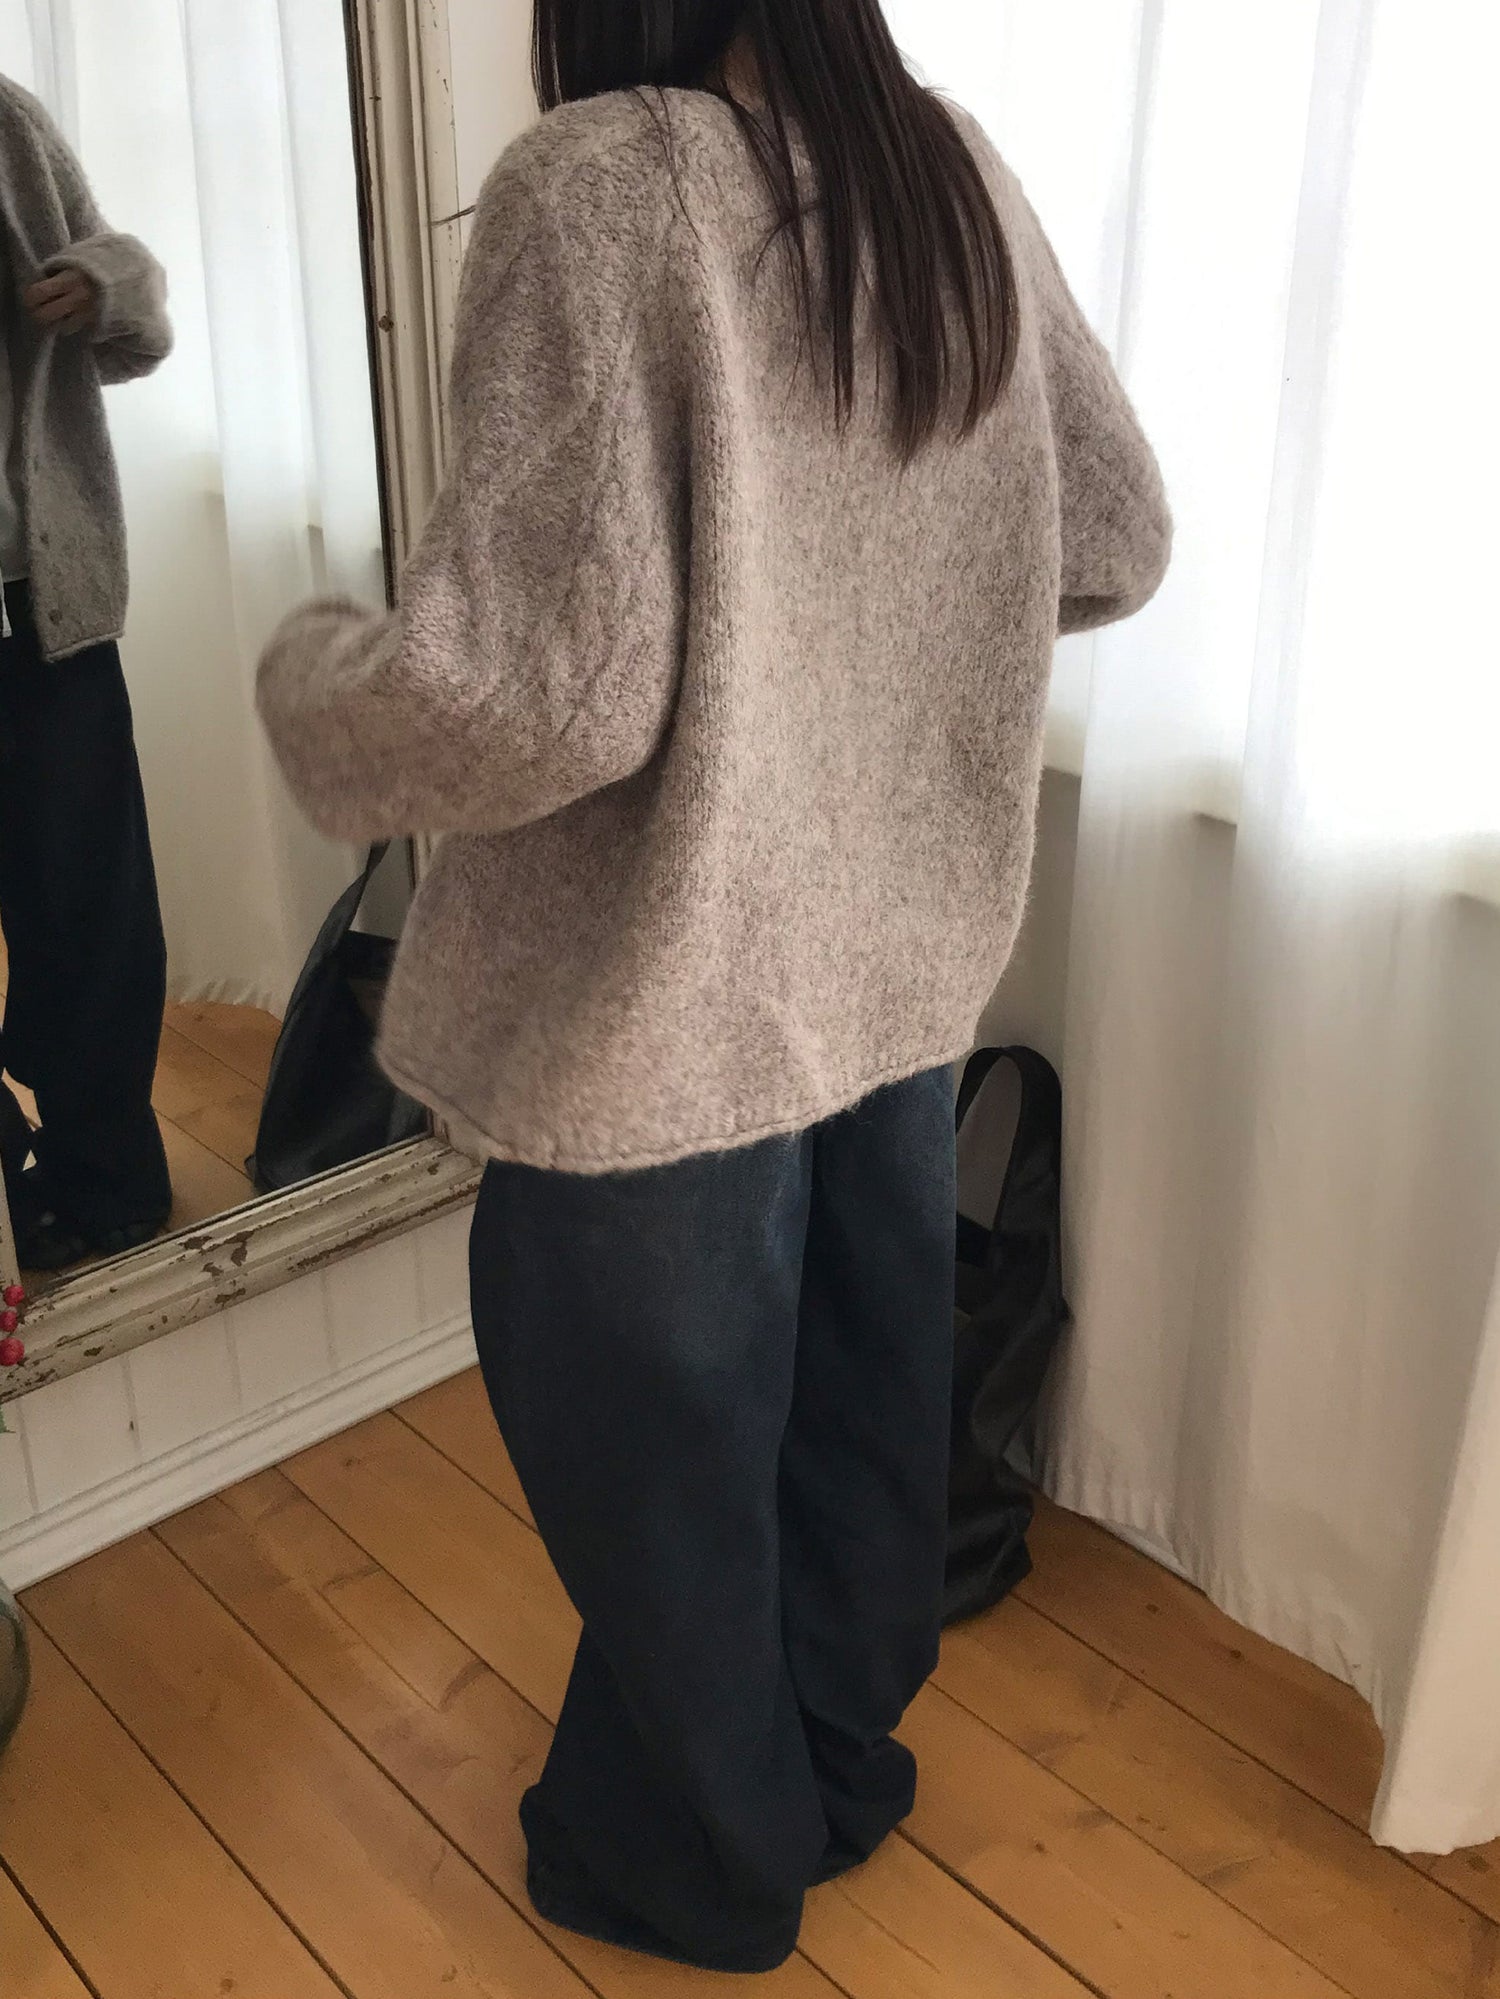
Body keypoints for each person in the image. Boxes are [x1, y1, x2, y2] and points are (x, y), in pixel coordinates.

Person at [259, 0, 1170, 1972]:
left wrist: (310, 682)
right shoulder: (946, 167)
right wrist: (865, 645)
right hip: (887, 964)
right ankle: (833, 1769)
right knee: (852, 1411)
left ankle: (699, 1862)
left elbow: (541, 690)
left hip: (658, 1003)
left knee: (653, 1465)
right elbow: (1110, 535)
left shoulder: (598, 187)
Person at [0, 75, 173, 1268]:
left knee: (90, 910)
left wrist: (105, 281)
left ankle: (106, 1179)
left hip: (41, 600)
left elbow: (138, 327)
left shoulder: (7, 125)